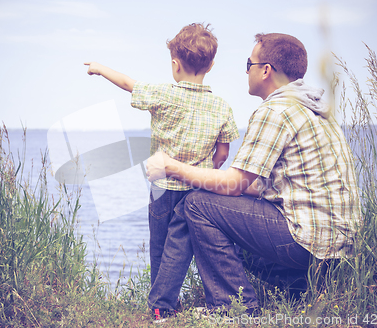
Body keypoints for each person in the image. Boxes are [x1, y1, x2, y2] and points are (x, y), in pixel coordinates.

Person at [146, 33, 361, 313]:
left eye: (250, 64)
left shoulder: (276, 110)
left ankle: (234, 308)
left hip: (306, 243)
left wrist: (172, 166)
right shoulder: (315, 109)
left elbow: (234, 185)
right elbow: (265, 185)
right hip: (338, 251)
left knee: (197, 205)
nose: (246, 71)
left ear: (266, 70)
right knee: (226, 212)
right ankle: (300, 288)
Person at [84, 23, 240, 319]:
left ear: (174, 64)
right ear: (212, 65)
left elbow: (130, 84)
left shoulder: (163, 94)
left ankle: (161, 303)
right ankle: (164, 301)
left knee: (159, 245)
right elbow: (223, 152)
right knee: (181, 247)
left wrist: (100, 68)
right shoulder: (222, 107)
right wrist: (209, 168)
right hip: (195, 190)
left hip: (161, 187)